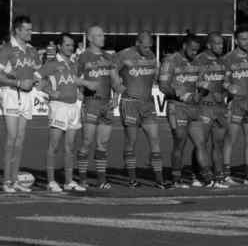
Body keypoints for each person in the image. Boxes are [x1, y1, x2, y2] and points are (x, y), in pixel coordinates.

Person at [35, 33, 94, 192]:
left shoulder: (73, 63)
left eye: (72, 45)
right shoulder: (52, 63)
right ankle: (51, 181)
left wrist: (81, 90)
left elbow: (74, 81)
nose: (70, 47)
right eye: (67, 45)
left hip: (73, 107)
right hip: (58, 108)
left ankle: (68, 181)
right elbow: (36, 79)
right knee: (53, 146)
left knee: (70, 147)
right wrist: (48, 91)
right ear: (59, 46)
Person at [0, 16, 41, 193]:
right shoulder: (6, 49)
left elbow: (37, 73)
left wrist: (37, 82)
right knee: (12, 139)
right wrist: (18, 83)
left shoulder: (32, 51)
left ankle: (14, 179)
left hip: (27, 97)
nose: (30, 32)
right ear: (17, 30)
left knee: (20, 140)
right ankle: (6, 181)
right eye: (27, 29)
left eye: (31, 29)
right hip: (12, 94)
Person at [158, 34, 213, 188]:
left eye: (197, 50)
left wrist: (200, 93)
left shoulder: (198, 61)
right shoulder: (170, 60)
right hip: (177, 107)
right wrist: (181, 95)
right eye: (192, 49)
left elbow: (204, 82)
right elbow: (163, 86)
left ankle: (208, 178)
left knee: (201, 143)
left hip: (194, 108)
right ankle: (176, 179)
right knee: (179, 143)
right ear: (184, 46)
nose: (195, 53)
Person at [76, 26, 124, 189]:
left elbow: (115, 80)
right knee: (87, 142)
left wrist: (116, 96)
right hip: (91, 104)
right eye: (99, 35)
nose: (103, 37)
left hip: (106, 105)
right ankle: (82, 178)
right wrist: (79, 93)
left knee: (103, 143)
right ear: (90, 38)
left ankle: (101, 180)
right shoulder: (83, 57)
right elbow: (71, 78)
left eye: (103, 35)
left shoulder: (108, 57)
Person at [115, 31, 165, 188]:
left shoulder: (151, 56)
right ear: (137, 43)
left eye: (150, 46)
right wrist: (117, 86)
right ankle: (131, 178)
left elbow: (157, 76)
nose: (147, 49)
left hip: (148, 104)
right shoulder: (123, 55)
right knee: (131, 141)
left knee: (155, 139)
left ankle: (159, 180)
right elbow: (111, 72)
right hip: (130, 103)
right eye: (145, 46)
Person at [193, 33, 228, 188]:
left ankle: (219, 177)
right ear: (209, 45)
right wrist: (201, 86)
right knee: (201, 143)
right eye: (218, 43)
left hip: (220, 108)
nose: (221, 46)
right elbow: (192, 81)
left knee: (218, 144)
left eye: (222, 43)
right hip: (204, 107)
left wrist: (227, 91)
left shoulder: (223, 61)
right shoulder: (199, 60)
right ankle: (197, 176)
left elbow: (225, 82)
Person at [223, 25, 248, 184]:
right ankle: (225, 173)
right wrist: (229, 87)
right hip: (236, 104)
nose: (247, 42)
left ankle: (246, 175)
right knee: (230, 139)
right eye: (244, 39)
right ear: (236, 40)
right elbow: (222, 81)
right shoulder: (228, 58)